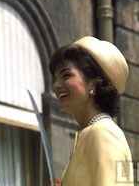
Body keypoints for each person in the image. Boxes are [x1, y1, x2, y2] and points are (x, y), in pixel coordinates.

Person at [49, 36, 134, 186]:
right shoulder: (89, 134)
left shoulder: (102, 133)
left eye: (66, 75)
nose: (56, 85)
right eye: (55, 78)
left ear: (93, 83)